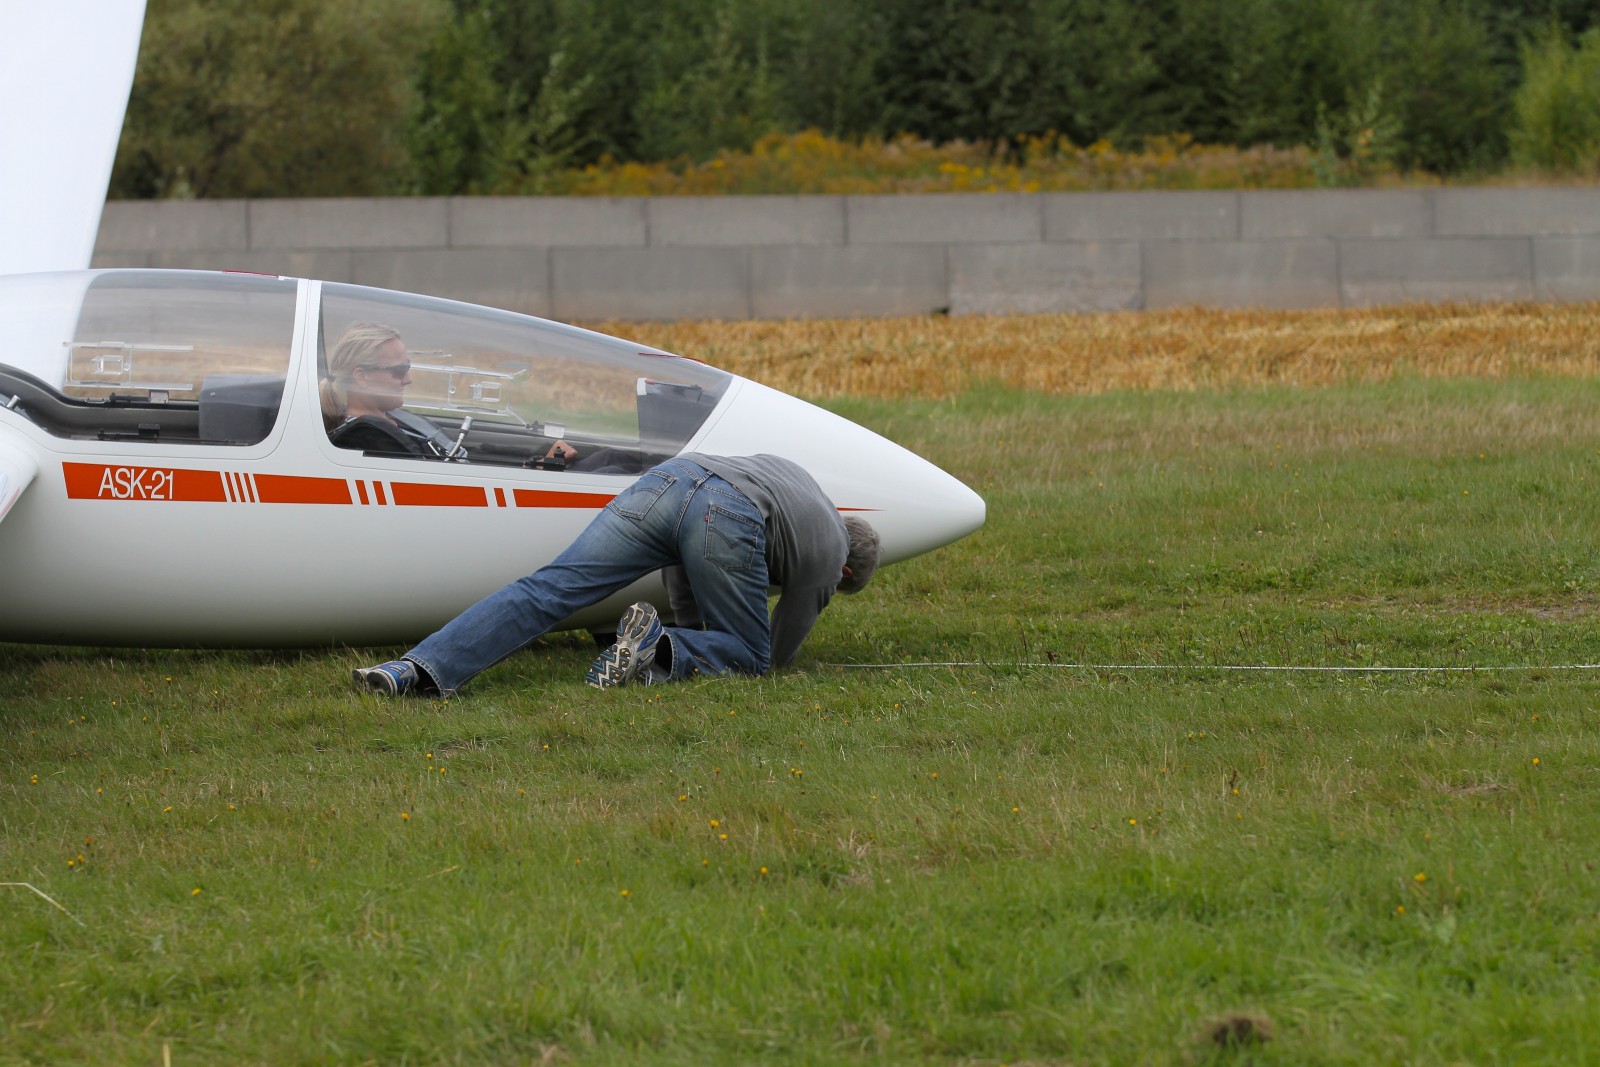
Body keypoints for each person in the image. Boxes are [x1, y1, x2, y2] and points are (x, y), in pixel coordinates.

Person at [351, 453, 881, 697]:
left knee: (549, 589)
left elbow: (687, 561)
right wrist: (695, 645)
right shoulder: (831, 556)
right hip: (727, 509)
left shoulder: (798, 482)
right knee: (751, 656)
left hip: (668, 479)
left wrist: (690, 627)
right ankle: (656, 649)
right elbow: (774, 652)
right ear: (847, 570)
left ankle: (413, 669)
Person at [320, 321, 574, 462]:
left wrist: (537, 459)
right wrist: (540, 470)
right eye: (399, 370)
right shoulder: (366, 439)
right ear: (362, 377)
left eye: (408, 367)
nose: (408, 379)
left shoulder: (396, 419)